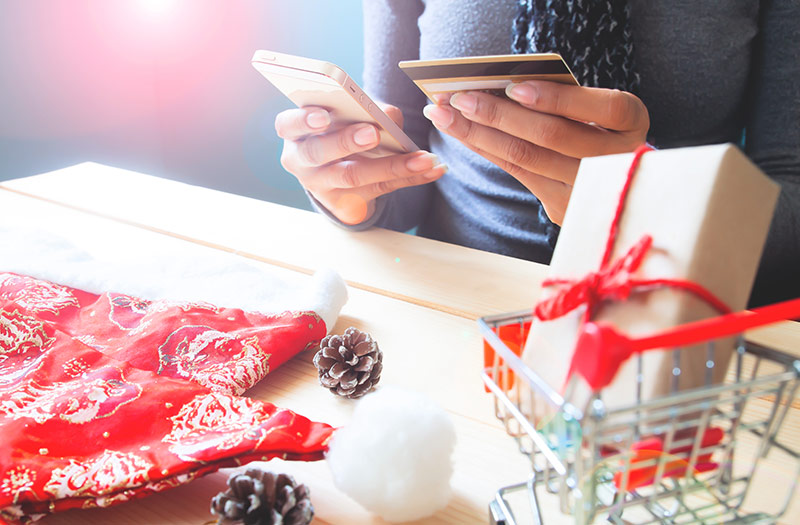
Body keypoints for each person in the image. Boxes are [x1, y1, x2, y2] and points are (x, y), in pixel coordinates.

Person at [274, 0, 799, 307]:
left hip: (669, 317)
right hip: (456, 303)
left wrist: (657, 206)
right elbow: (409, 167)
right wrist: (352, 187)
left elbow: (791, 185)